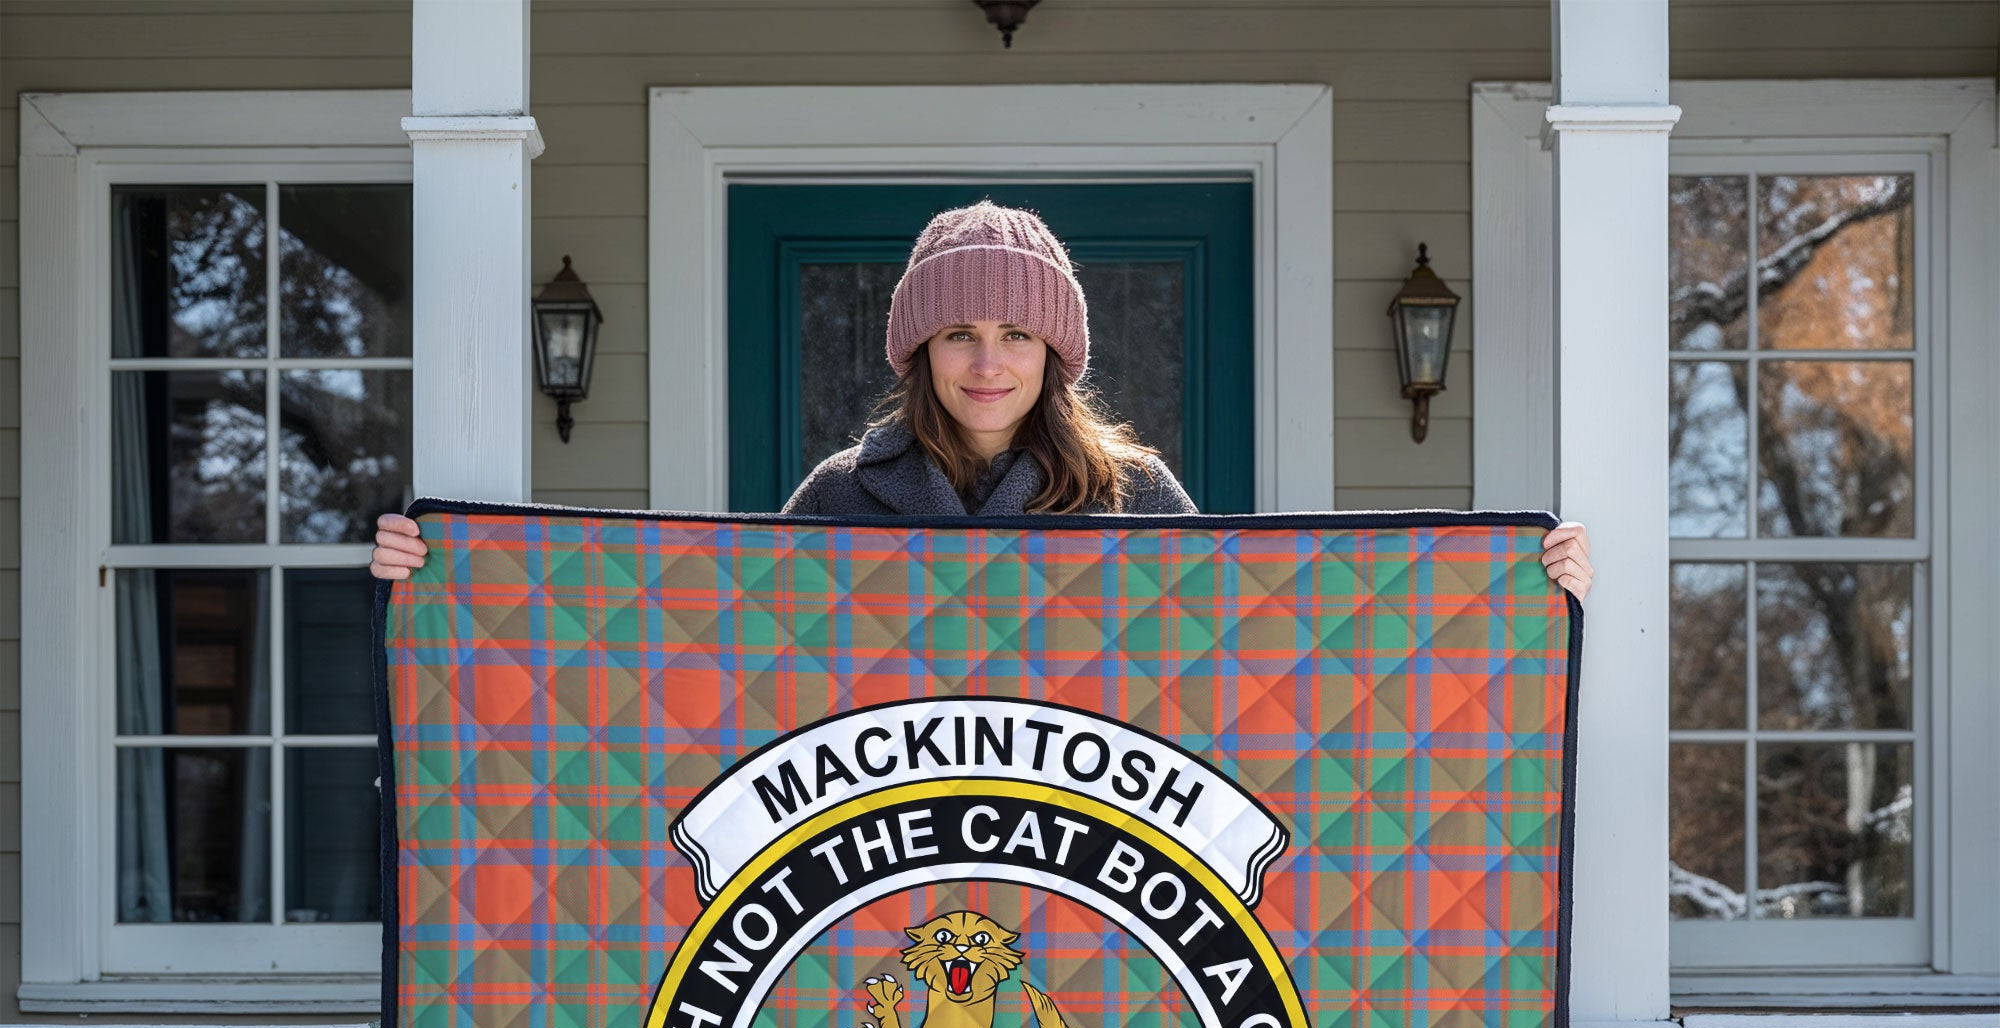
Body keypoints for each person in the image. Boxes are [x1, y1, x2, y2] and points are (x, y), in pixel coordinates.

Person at [371, 198, 1592, 591]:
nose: (986, 359)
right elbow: (700, 625)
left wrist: (1507, 585)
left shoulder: (1132, 493)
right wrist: (455, 571)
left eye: (1014, 333)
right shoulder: (842, 496)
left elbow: (1261, 639)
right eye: (957, 332)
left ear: (1056, 353)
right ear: (917, 351)